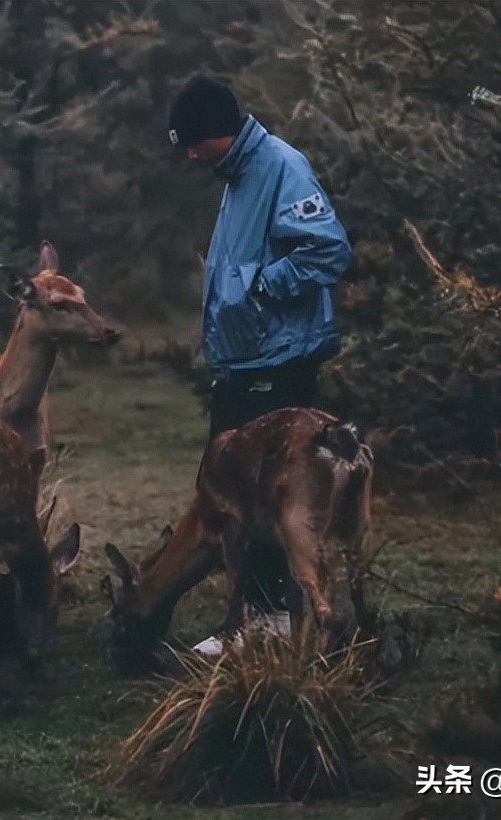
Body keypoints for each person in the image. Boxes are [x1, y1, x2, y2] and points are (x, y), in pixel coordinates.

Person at [168, 73, 353, 636]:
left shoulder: (280, 167)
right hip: (247, 361)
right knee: (234, 493)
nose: (192, 154)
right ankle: (254, 617)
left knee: (262, 496)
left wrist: (262, 288)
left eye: (194, 142)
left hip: (276, 362)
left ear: (217, 132)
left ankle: (269, 623)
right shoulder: (239, 174)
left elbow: (328, 250)